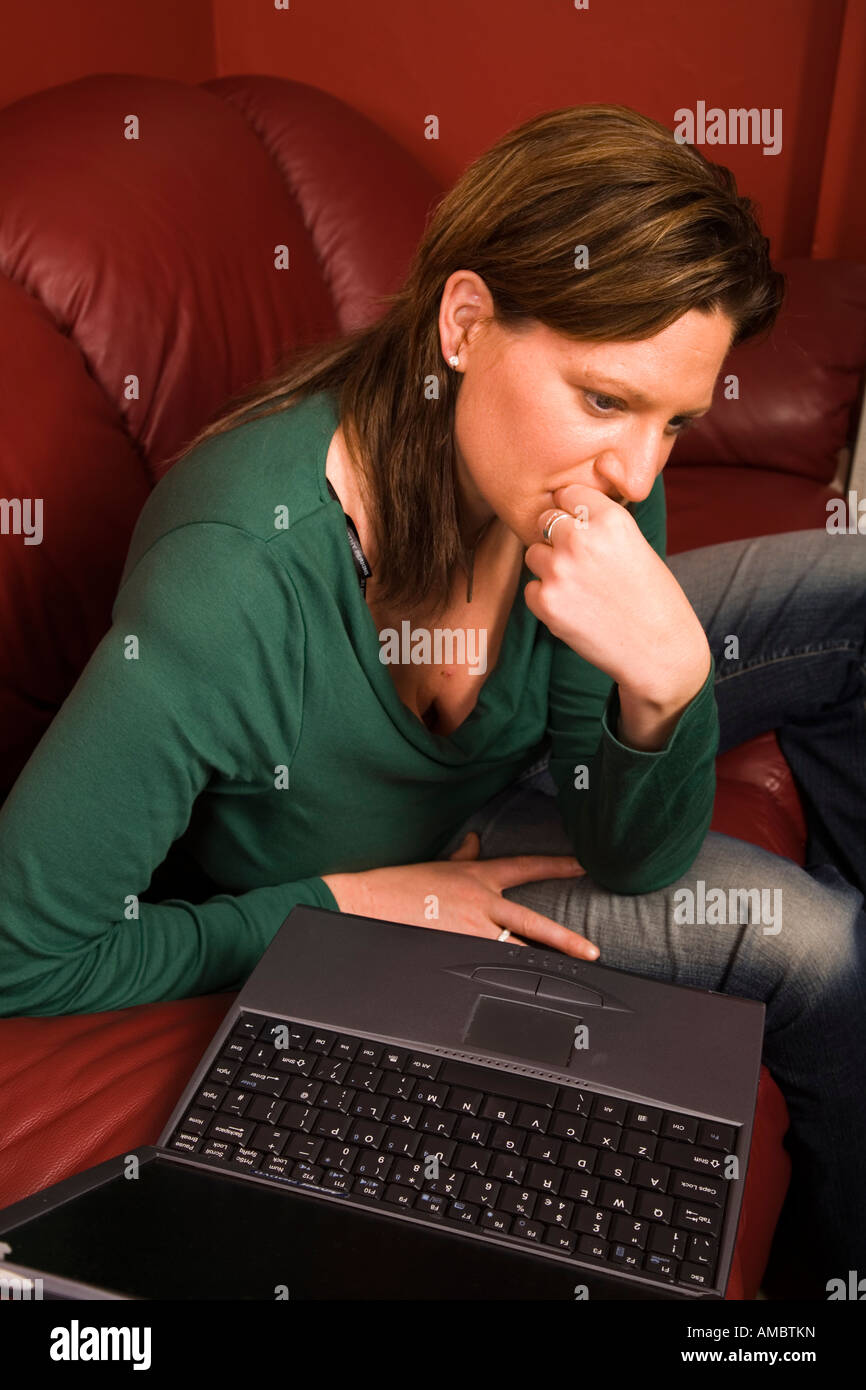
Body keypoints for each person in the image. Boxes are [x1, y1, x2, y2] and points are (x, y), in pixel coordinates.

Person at [0, 103, 863, 1294]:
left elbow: (622, 832)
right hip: (410, 868)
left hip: (513, 778)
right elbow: (21, 953)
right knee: (819, 950)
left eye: (675, 416)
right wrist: (343, 899)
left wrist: (660, 687)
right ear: (463, 323)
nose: (640, 472)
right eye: (605, 400)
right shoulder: (231, 587)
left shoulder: (593, 479)